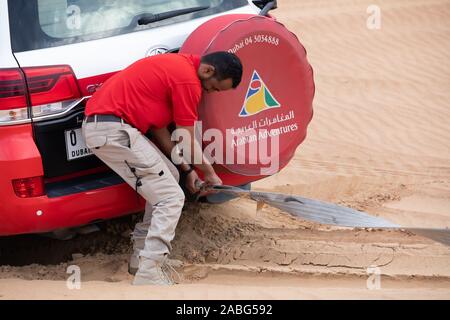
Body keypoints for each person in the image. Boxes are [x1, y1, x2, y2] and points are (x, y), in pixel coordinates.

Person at [81, 52, 243, 285]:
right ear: (207, 71)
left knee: (171, 178)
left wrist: (188, 171)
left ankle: (141, 259)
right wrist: (210, 173)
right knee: (171, 197)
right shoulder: (188, 80)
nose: (211, 93)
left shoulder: (177, 68)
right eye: (214, 88)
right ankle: (150, 270)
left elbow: (160, 131)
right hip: (112, 131)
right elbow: (185, 139)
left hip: (115, 129)